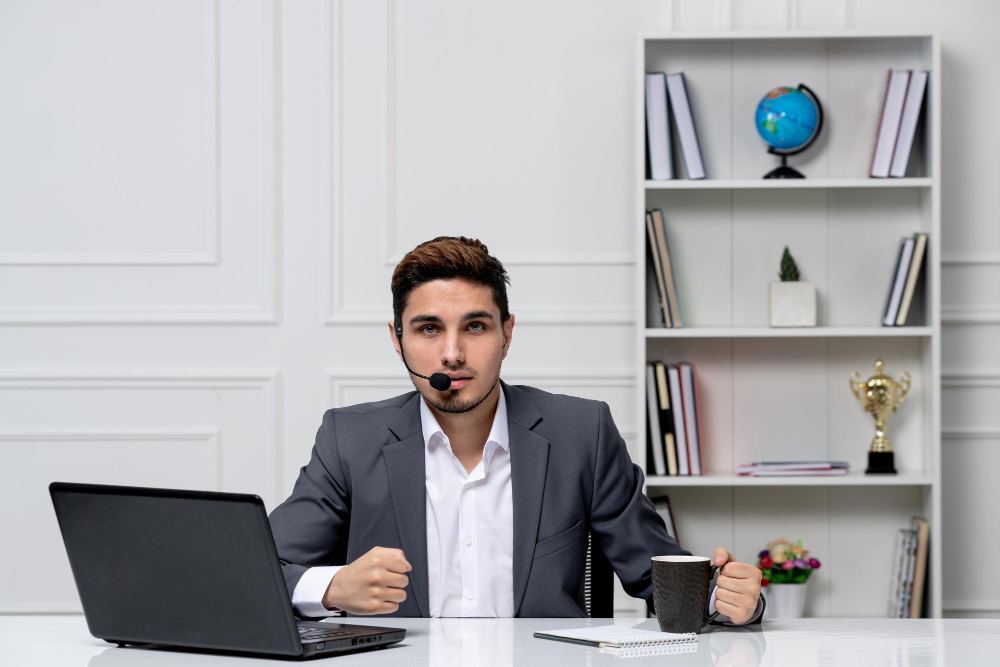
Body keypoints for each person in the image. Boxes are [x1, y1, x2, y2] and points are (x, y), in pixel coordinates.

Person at [268, 236, 763, 621]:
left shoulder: (581, 433)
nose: (452, 354)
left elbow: (660, 576)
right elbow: (260, 573)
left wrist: (727, 598)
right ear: (397, 340)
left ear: (507, 334)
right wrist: (331, 588)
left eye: (476, 327)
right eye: (429, 329)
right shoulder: (349, 439)